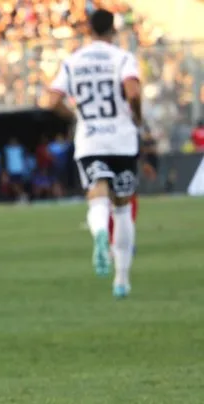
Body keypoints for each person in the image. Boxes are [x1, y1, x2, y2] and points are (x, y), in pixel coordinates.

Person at [44, 8, 142, 298]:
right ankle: (121, 280)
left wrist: (76, 115)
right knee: (122, 208)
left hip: (90, 139)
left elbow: (51, 101)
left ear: (88, 30)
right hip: (122, 139)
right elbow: (133, 92)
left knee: (97, 194)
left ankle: (99, 231)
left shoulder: (73, 61)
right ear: (113, 30)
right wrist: (136, 117)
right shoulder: (122, 58)